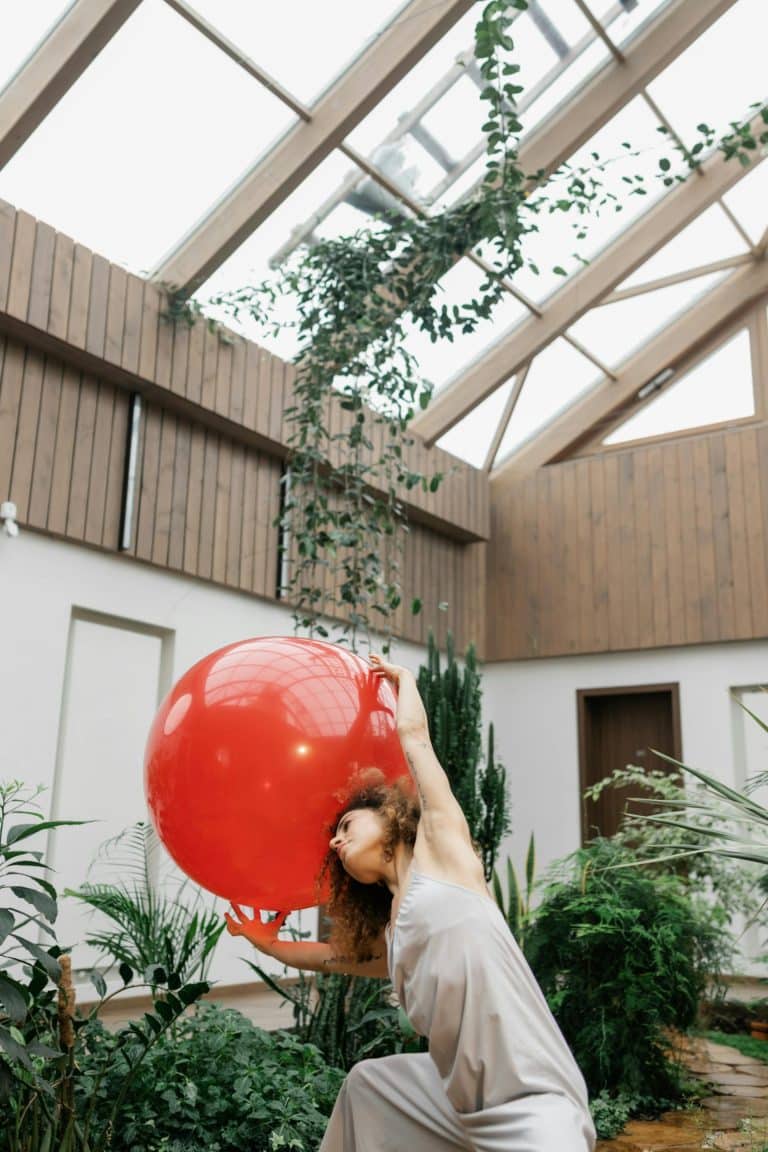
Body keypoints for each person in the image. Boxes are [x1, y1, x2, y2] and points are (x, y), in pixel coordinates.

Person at [225, 654, 596, 1152]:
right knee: (368, 1086)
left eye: (346, 827)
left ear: (390, 819)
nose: (336, 842)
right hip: (455, 1101)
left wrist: (405, 683)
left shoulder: (445, 857)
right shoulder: (395, 937)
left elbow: (417, 745)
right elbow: (328, 958)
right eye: (334, 839)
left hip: (534, 1098)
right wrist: (267, 945)